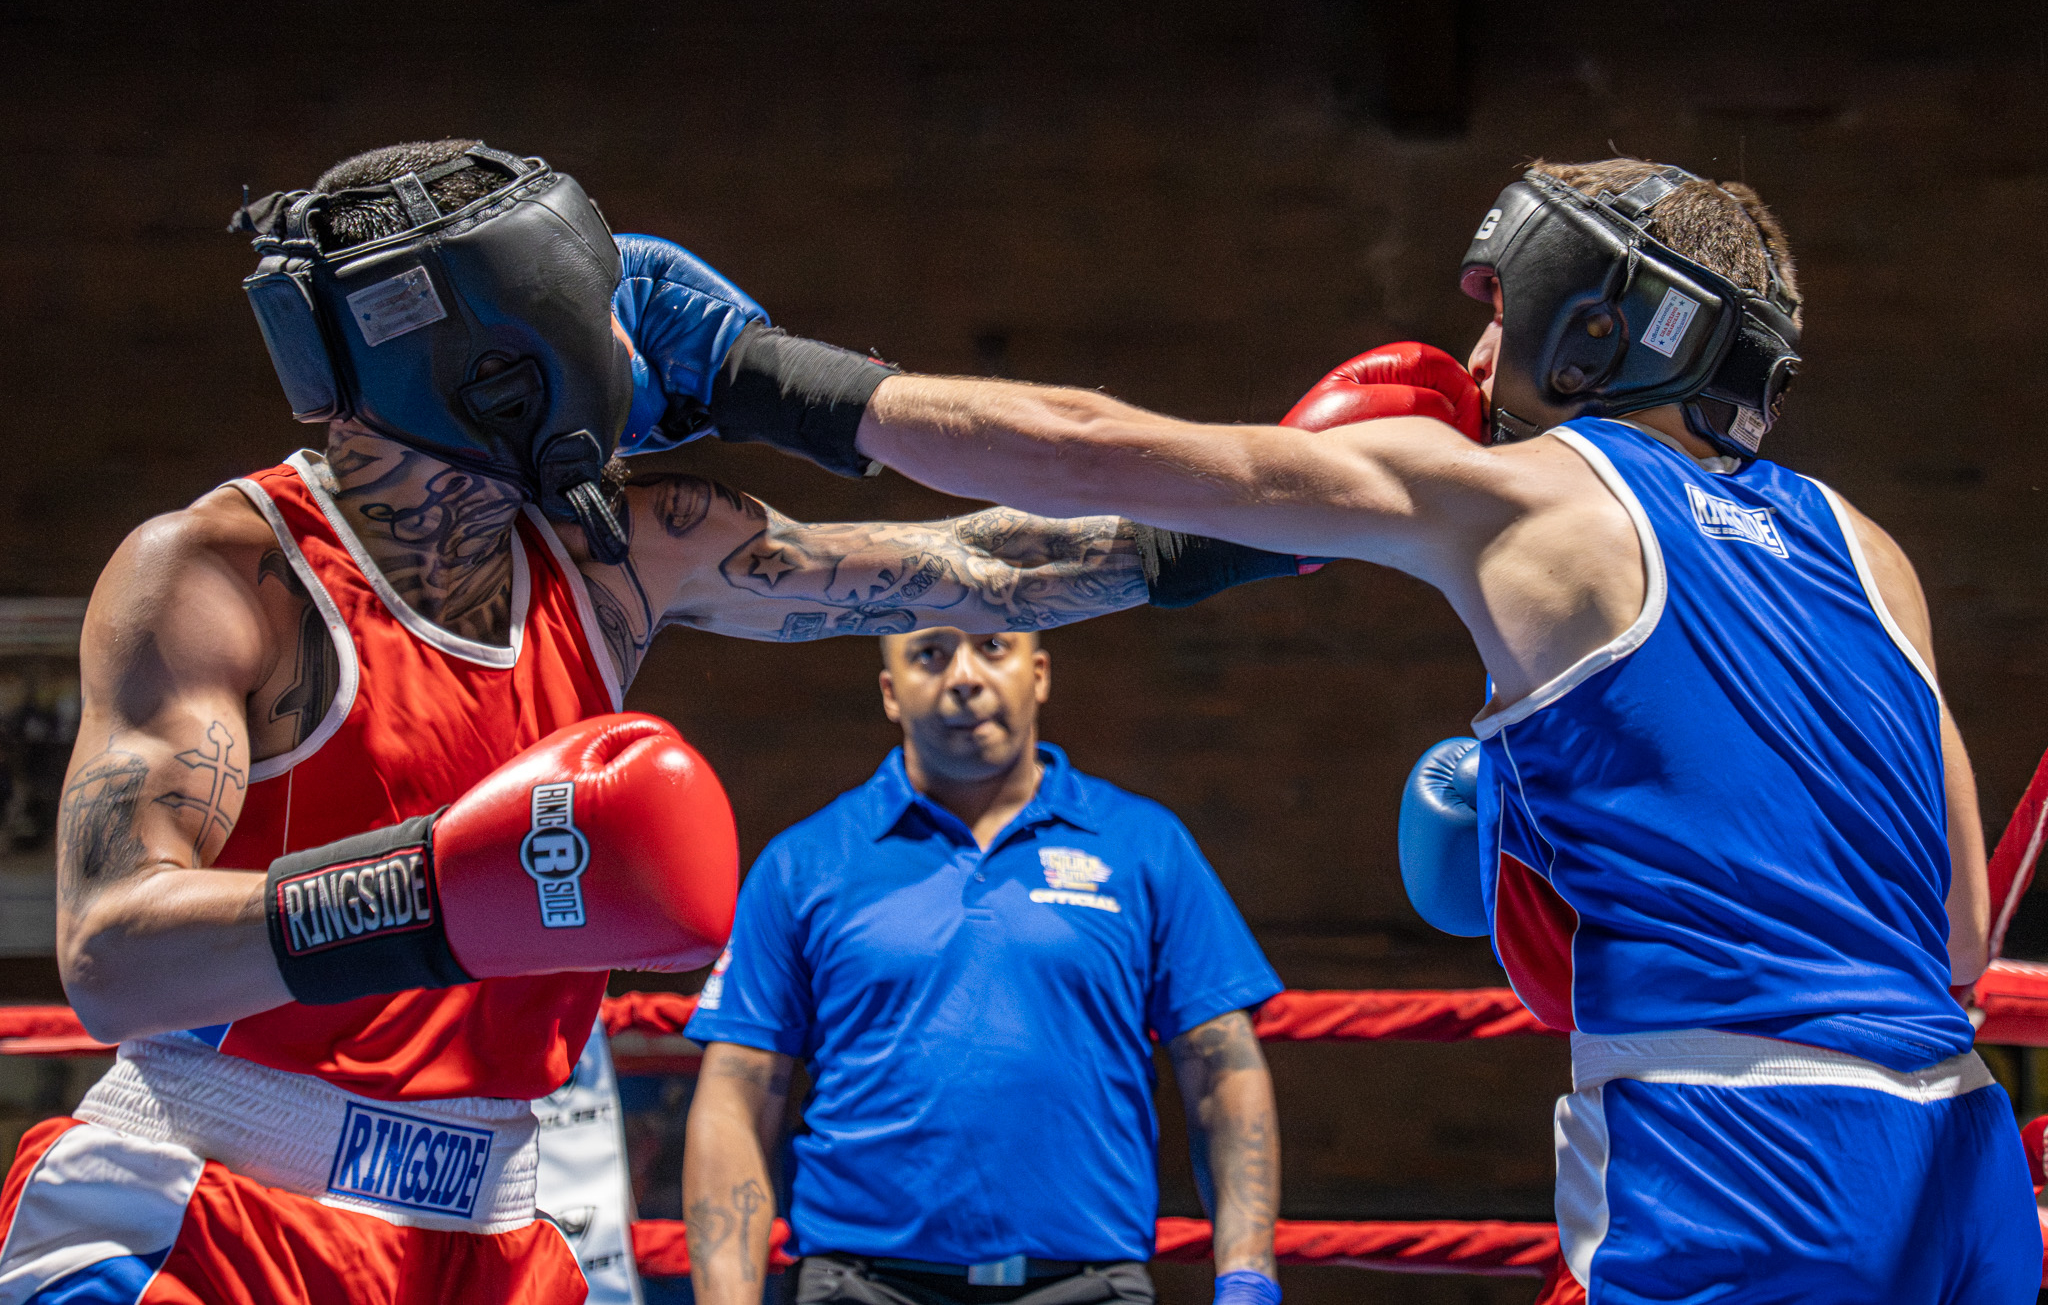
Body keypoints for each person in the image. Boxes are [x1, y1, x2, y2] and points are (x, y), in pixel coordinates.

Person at [612, 157, 2040, 1299]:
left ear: (1590, 331)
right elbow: (1961, 935)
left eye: (1504, 311)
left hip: (1743, 1158)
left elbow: (1083, 449)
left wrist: (758, 372)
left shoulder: (1525, 490)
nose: (1475, 349)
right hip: (1957, 1154)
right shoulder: (1871, 551)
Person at [4, 138, 1198, 1305]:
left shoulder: (611, 555)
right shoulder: (224, 574)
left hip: (489, 1233)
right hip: (211, 1210)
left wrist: (1260, 526)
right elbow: (110, 956)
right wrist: (432, 889)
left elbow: (983, 571)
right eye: (585, 312)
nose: (628, 348)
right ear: (495, 364)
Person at [681, 626, 1283, 1305]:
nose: (964, 677)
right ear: (890, 692)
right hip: (860, 1284)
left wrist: (1247, 1279)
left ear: (1040, 673)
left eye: (993, 646)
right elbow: (735, 1095)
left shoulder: (1145, 844)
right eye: (929, 654)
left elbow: (1222, 1070)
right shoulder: (805, 861)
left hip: (1088, 1285)